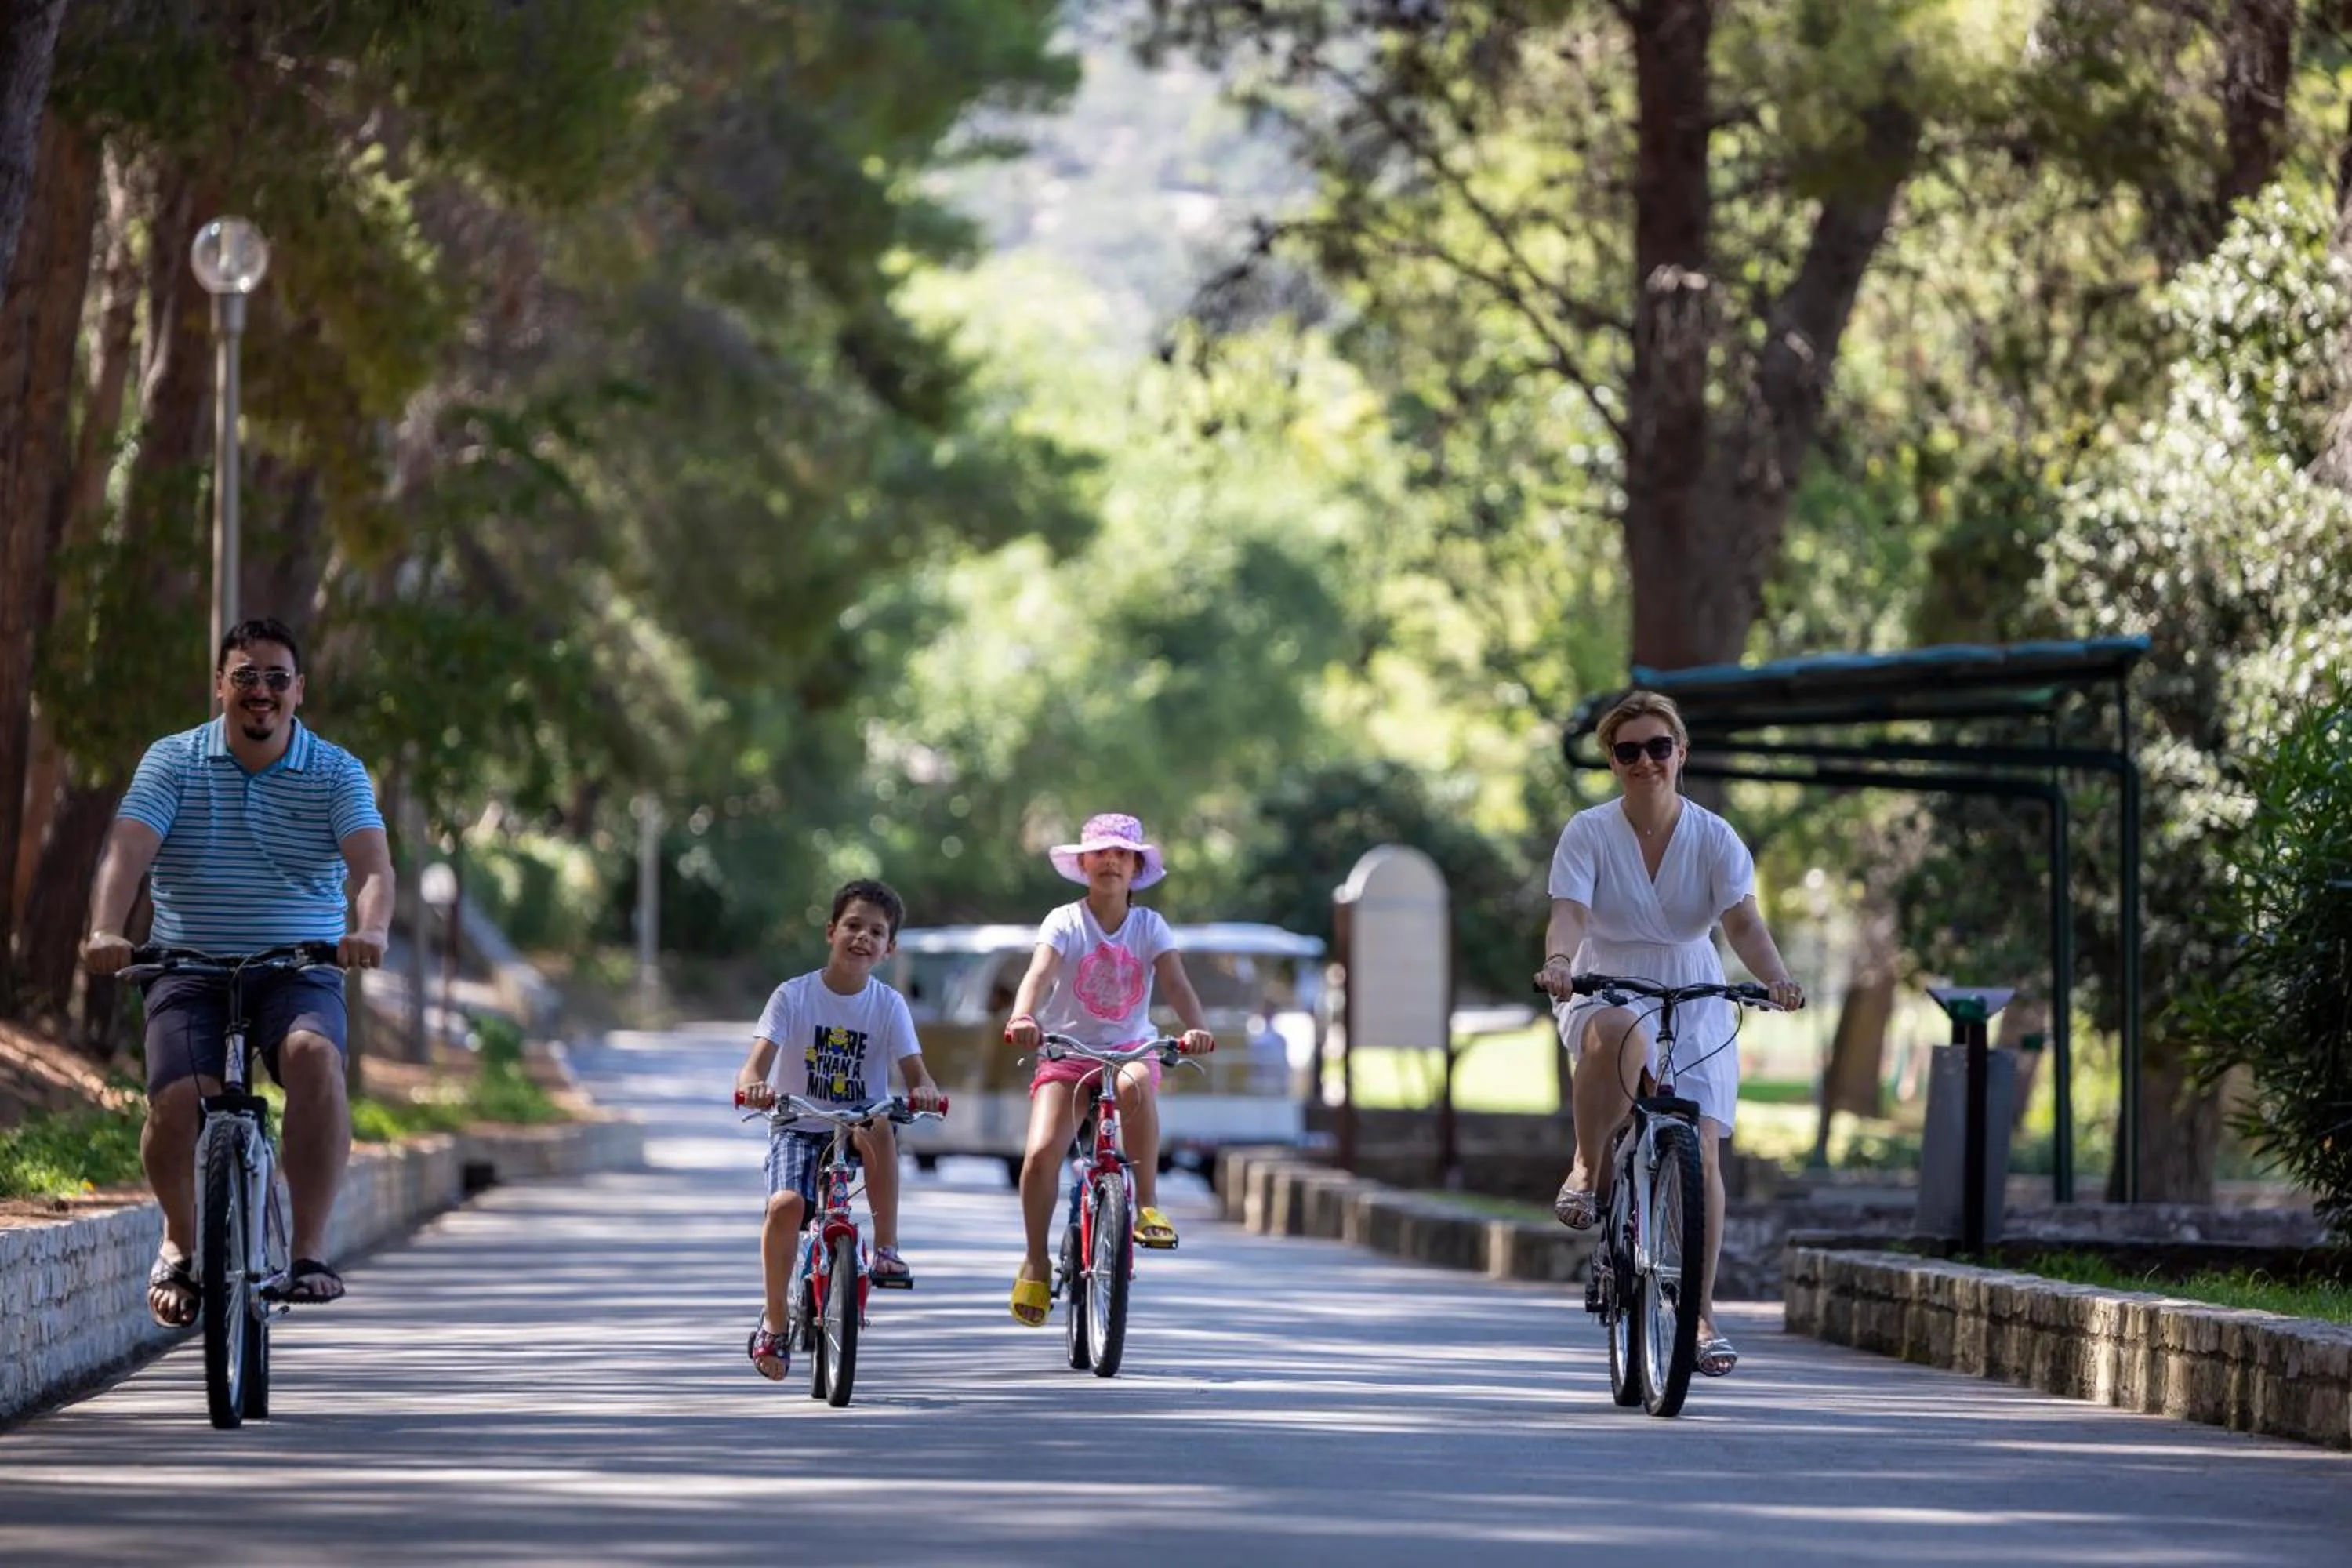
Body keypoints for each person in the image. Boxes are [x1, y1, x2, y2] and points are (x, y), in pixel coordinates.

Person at [81, 618, 394, 1326]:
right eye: (246, 676)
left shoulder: (334, 770)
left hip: (297, 968)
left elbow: (372, 867)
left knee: (316, 1058)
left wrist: (368, 930)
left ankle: (309, 1252)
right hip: (187, 966)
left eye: (276, 679)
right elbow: (125, 855)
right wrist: (105, 930)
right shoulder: (173, 761)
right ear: (220, 684)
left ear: (299, 691)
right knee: (178, 1097)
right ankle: (181, 1242)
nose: (261, 691)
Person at [1534, 691, 1803, 1379]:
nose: (1646, 762)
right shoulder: (1589, 832)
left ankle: (1701, 1312)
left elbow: (1742, 921)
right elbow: (1569, 912)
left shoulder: (1714, 836)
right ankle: (1590, 1168)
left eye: (1660, 747)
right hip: (1608, 978)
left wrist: (1775, 978)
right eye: (1630, 751)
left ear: (1681, 753)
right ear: (1613, 762)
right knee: (1620, 1033)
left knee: (1702, 1150)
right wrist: (1562, 964)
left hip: (1695, 984)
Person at [1000, 812, 1214, 1327]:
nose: (1112, 861)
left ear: (1136, 866)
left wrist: (1198, 1028)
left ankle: (1147, 1205)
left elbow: (1177, 983)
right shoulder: (1064, 921)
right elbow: (1040, 973)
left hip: (1129, 1048)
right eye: (1101, 852)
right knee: (1039, 1156)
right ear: (1084, 862)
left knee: (1137, 1084)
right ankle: (1034, 1258)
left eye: (1122, 853)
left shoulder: (1149, 926)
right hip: (1067, 1049)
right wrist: (1023, 1016)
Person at [733, 878, 945, 1380]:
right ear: (831, 931)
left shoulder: (889, 1005)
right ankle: (776, 1322)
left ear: (889, 948)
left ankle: (887, 1249)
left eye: (876, 932)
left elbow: (917, 1072)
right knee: (786, 1207)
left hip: (854, 1125)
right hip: (799, 1122)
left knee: (881, 1122)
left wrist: (926, 1090)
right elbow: (752, 1068)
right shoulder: (793, 996)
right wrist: (754, 1087)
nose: (862, 938)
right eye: (853, 925)